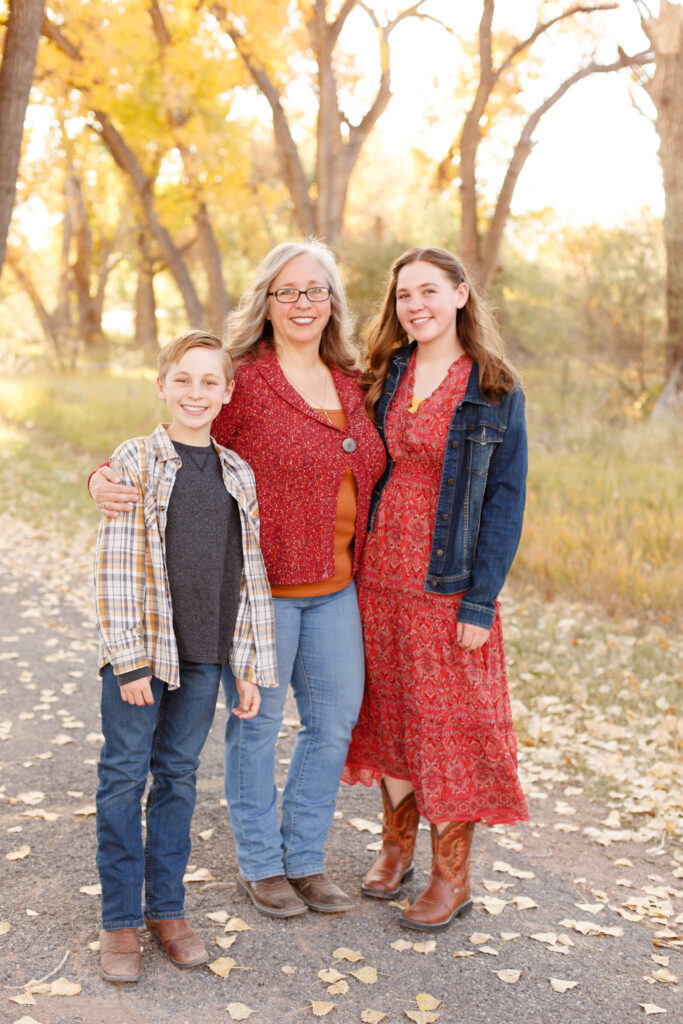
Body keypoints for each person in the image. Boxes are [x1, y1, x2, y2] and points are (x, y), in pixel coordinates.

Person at [89, 241, 387, 919]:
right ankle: (262, 863)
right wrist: (102, 475)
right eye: (288, 292)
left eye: (315, 290)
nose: (303, 303)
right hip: (262, 590)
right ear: (267, 302)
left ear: (332, 301)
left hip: (339, 585)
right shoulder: (244, 381)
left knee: (331, 724)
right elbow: (174, 435)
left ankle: (304, 857)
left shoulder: (353, 384)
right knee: (258, 724)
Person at [342, 246, 529, 932]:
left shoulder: (493, 385)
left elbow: (506, 499)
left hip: (445, 584)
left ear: (458, 294)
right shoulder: (383, 376)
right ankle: (396, 850)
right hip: (376, 578)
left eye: (427, 291)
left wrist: (479, 600)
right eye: (402, 296)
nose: (413, 306)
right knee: (390, 714)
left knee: (446, 728)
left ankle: (453, 878)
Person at [94, 331, 277, 982]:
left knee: (176, 779)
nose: (196, 393)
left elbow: (249, 572)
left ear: (227, 393)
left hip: (206, 656)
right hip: (143, 656)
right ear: (161, 384)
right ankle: (119, 919)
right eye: (184, 379)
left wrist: (250, 664)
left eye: (209, 383)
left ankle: (165, 910)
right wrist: (128, 659)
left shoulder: (236, 472)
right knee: (123, 777)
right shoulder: (138, 459)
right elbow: (116, 565)